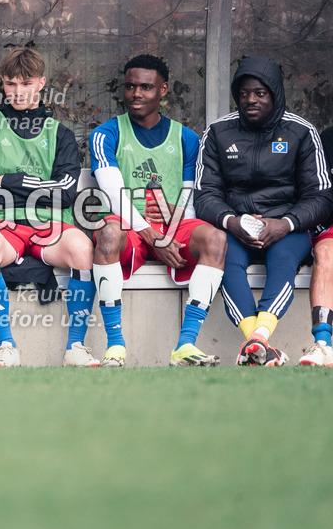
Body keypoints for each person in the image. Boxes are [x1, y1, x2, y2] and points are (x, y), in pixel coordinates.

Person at [90, 54, 227, 367]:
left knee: (215, 239)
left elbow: (190, 198)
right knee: (108, 232)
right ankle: (115, 346)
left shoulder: (187, 138)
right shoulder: (105, 134)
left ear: (163, 90)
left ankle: (186, 345)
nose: (136, 93)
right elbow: (113, 193)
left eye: (146, 87)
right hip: (131, 228)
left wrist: (169, 225)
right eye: (130, 86)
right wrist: (151, 235)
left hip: (174, 226)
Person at [0, 47, 97, 367]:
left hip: (49, 227)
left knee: (82, 247)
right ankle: (6, 346)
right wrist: (37, 187)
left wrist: (10, 181)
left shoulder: (61, 135)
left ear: (41, 83)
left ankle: (75, 346)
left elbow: (65, 194)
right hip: (2, 225)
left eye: (26, 84)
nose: (18, 92)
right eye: (10, 84)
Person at [195, 57, 332, 366]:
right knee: (226, 262)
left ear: (275, 94)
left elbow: (321, 197)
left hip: (288, 228)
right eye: (243, 93)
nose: (250, 100)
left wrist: (286, 222)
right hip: (236, 227)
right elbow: (205, 195)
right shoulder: (218, 132)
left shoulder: (301, 132)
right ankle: (257, 342)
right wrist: (232, 221)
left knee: (283, 261)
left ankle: (258, 338)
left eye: (259, 93)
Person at [303, 125, 333, 366]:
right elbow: (318, 194)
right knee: (325, 252)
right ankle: (323, 345)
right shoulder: (326, 138)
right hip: (327, 226)